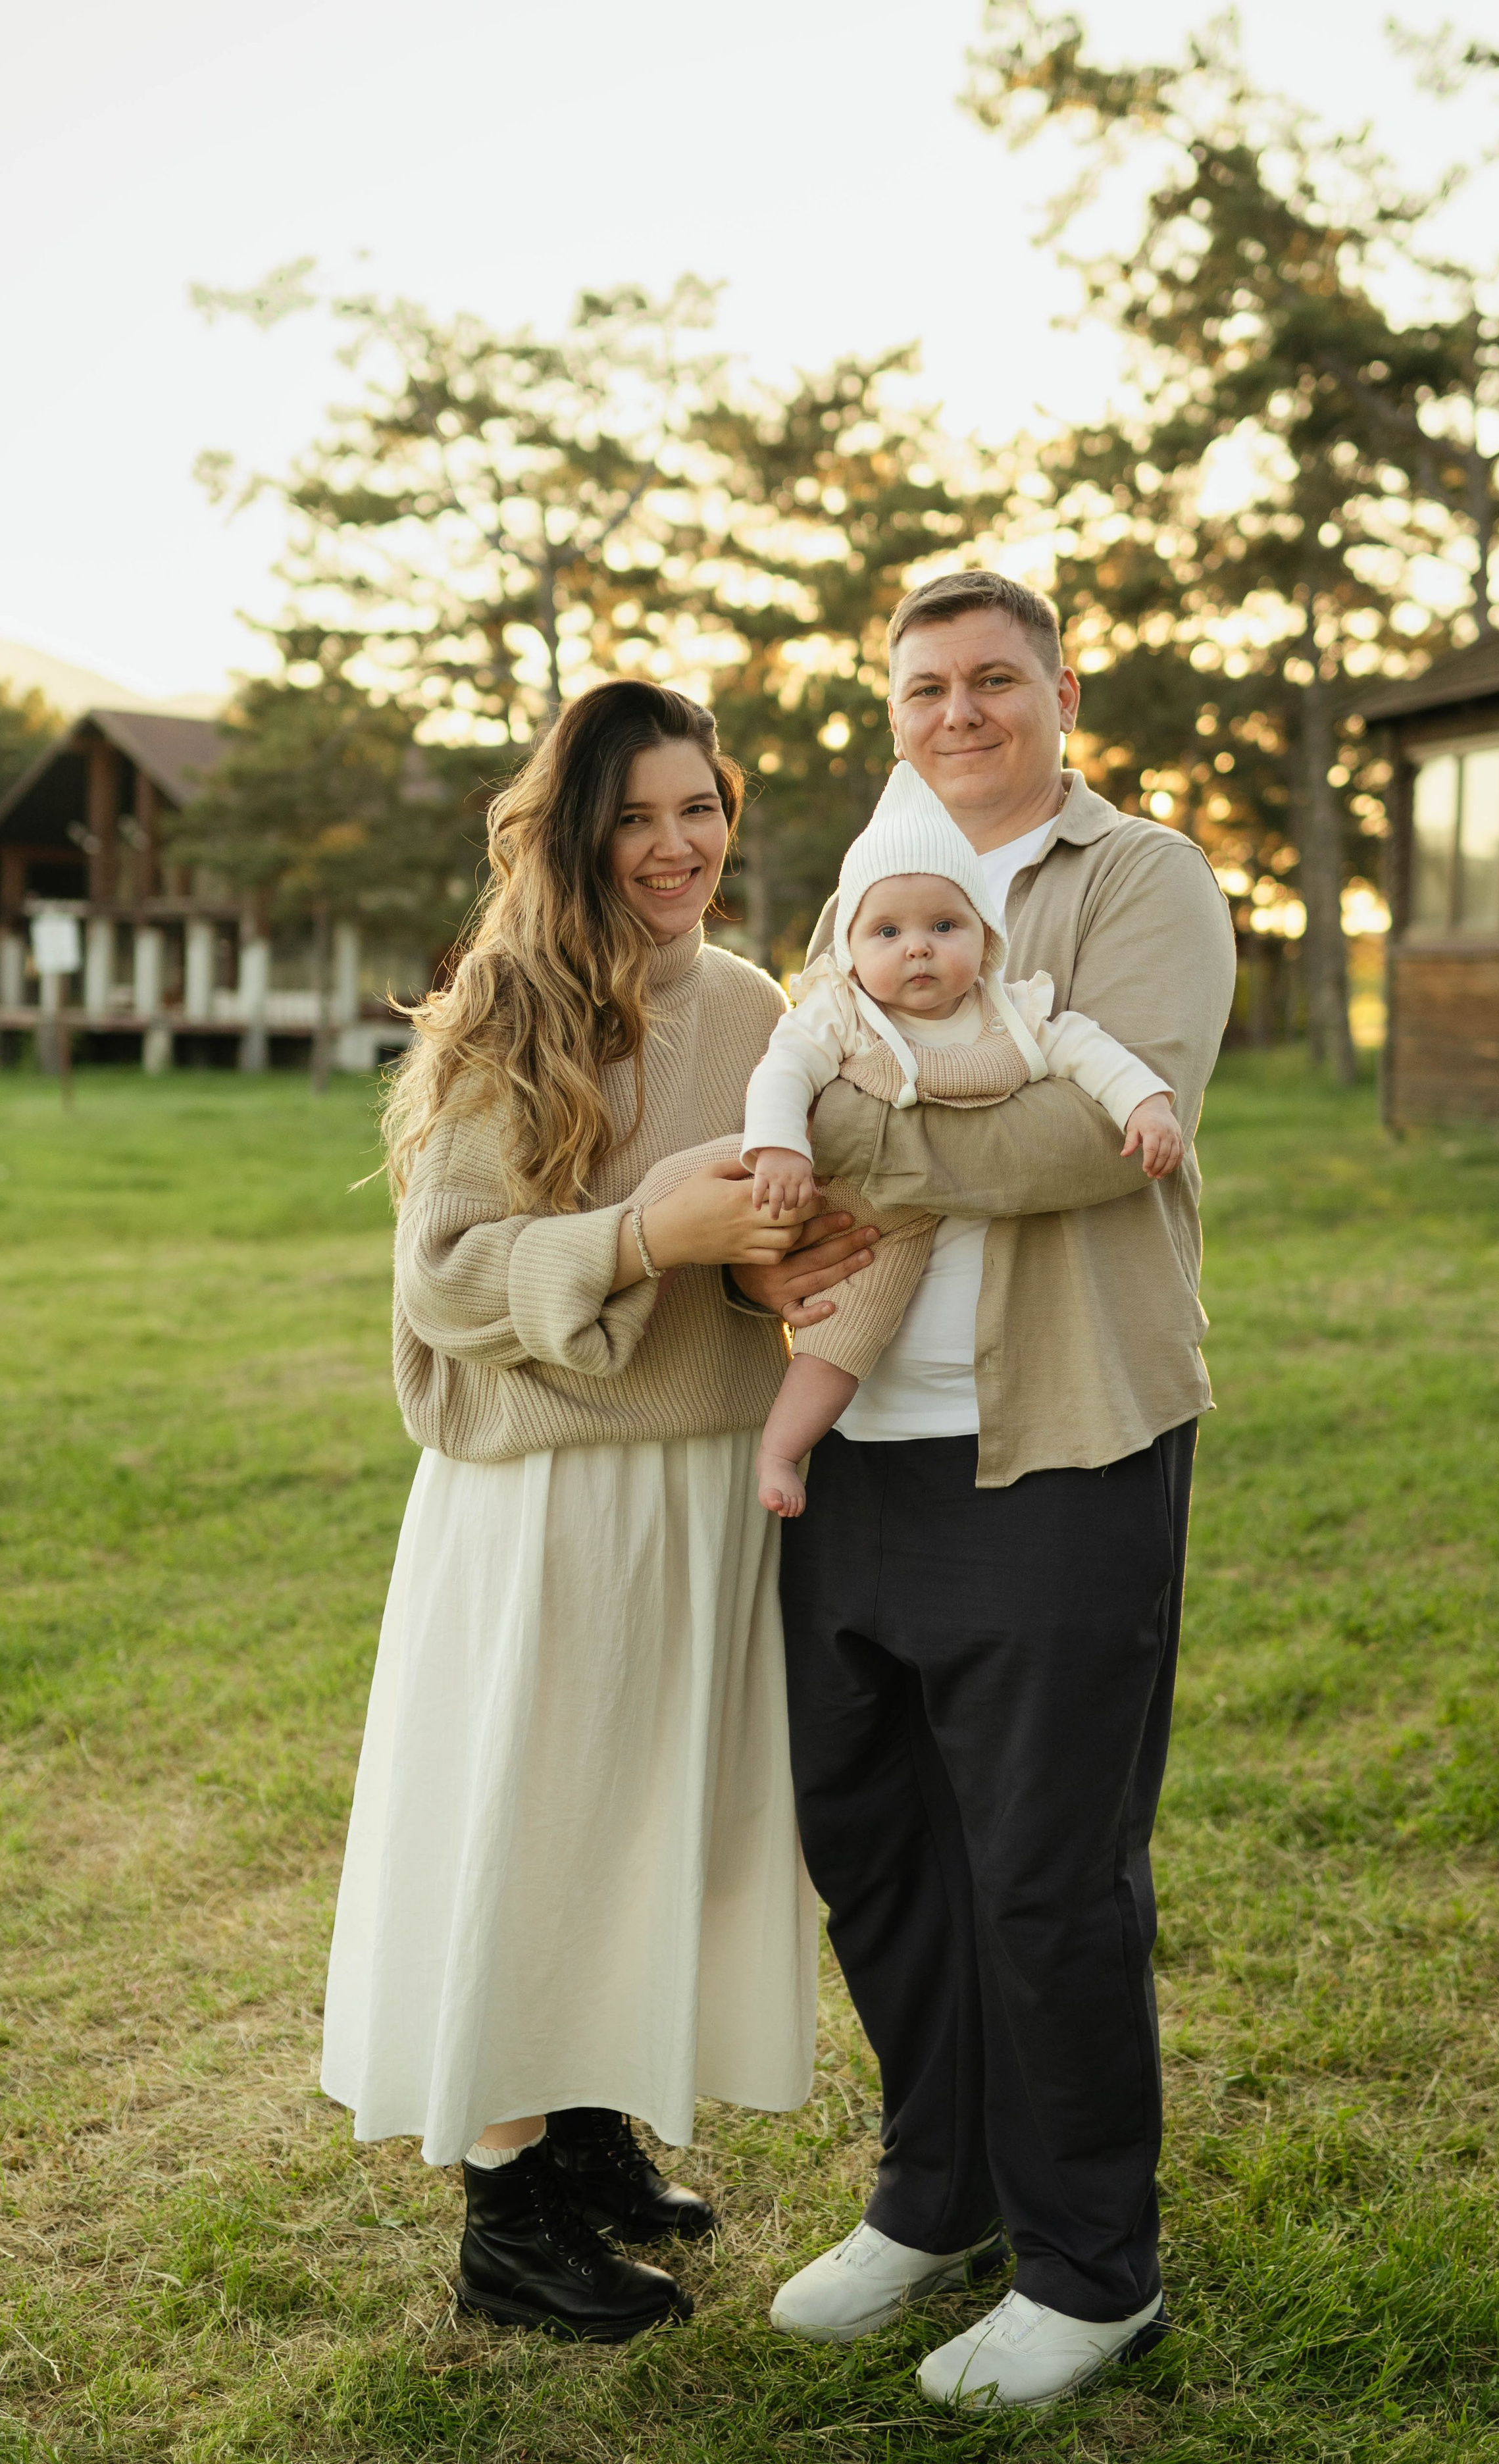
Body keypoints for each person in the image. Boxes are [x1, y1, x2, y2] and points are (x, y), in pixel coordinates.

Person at [319, 680, 877, 2344]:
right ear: (572, 833)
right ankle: (505, 2212)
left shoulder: (755, 1002)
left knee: (646, 1827)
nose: (674, 843)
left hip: (708, 1476)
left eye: (697, 807)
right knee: (537, 1821)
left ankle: (583, 2130)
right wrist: (645, 1232)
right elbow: (449, 1274)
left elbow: (769, 1231)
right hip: (549, 1499)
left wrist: (781, 1247)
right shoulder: (505, 1013)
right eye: (634, 814)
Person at [769, 571, 1236, 2409]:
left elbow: (1076, 1144)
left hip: (1063, 1439)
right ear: (892, 708)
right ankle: (934, 2190)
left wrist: (854, 1151)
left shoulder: (1148, 882)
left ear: (1058, 690)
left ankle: (1090, 2266)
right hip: (862, 1447)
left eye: (991, 680)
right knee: (873, 1844)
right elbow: (786, 1082)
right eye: (923, 686)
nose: (957, 711)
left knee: (1046, 1872)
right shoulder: (869, 875)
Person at [742, 761, 1182, 1516]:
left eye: (943, 927)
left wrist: (1145, 1102)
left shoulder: (1009, 1012)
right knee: (717, 1204)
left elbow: (1087, 1048)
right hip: (822, 1192)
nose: (917, 948)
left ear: (984, 939)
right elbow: (784, 1070)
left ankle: (782, 1451)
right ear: (849, 948)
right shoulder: (840, 1011)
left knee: (846, 1339)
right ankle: (767, 1431)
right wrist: (779, 1146)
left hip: (899, 1227)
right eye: (887, 931)